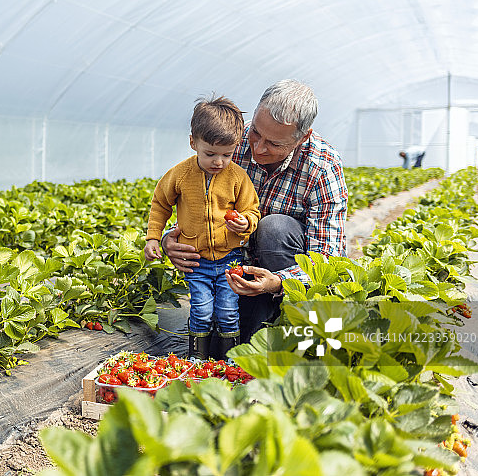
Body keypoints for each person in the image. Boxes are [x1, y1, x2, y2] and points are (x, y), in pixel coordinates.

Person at [161, 80, 348, 345]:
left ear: (302, 138)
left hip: (284, 278)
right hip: (232, 270)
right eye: (256, 133)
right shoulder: (231, 143)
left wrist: (277, 282)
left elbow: (328, 259)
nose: (258, 148)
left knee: (274, 228)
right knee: (218, 352)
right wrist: (172, 239)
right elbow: (191, 196)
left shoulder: (322, 168)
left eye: (274, 143)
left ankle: (288, 325)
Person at [144, 95, 260, 360]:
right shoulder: (180, 175)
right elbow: (161, 203)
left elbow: (252, 209)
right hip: (196, 260)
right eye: (210, 153)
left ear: (236, 147)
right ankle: (197, 357)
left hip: (230, 259)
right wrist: (153, 238)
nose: (218, 161)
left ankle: (231, 360)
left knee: (228, 311)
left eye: (227, 155)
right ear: (193, 142)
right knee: (201, 310)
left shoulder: (238, 177)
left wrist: (245, 223)